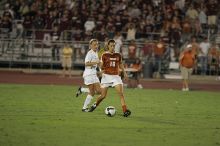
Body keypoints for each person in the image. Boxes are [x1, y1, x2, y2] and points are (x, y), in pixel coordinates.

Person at [88, 39, 131, 117]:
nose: (112, 47)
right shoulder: (104, 55)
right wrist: (101, 69)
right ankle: (95, 105)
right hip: (106, 77)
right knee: (103, 96)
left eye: (114, 45)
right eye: (111, 46)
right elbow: (101, 66)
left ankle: (125, 111)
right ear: (108, 46)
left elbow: (121, 64)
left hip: (116, 77)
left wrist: (124, 73)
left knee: (121, 94)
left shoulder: (118, 55)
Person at [81, 39, 101, 112]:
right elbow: (86, 63)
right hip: (89, 73)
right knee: (93, 92)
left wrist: (101, 70)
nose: (96, 46)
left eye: (97, 44)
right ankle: (84, 108)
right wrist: (95, 62)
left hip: (93, 73)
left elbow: (98, 63)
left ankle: (82, 90)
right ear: (90, 46)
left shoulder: (96, 53)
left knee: (99, 91)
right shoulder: (90, 53)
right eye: (94, 45)